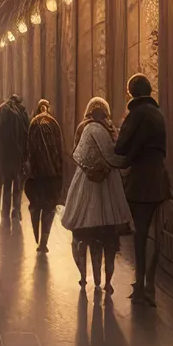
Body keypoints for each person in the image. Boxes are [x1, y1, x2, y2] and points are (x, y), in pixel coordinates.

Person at [61, 97, 132, 294]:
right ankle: (107, 281)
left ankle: (84, 278)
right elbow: (115, 155)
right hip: (108, 183)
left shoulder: (83, 127)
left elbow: (76, 152)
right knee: (108, 237)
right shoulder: (110, 129)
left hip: (85, 181)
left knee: (83, 233)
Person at [115, 73, 172, 306]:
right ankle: (150, 284)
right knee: (154, 234)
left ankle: (140, 285)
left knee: (140, 235)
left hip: (140, 183)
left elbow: (121, 147)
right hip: (159, 181)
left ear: (133, 92)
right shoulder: (158, 114)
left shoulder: (136, 114)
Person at [25, 99, 65, 252]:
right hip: (52, 176)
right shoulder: (54, 124)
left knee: (36, 206)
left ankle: (38, 235)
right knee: (49, 208)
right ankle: (43, 243)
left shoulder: (33, 124)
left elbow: (29, 149)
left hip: (36, 176)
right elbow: (59, 151)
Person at [0, 95, 29, 218]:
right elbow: (26, 135)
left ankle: (5, 211)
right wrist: (25, 156)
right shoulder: (22, 113)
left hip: (5, 156)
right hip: (17, 156)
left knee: (6, 183)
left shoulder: (0, 112)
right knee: (17, 183)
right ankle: (16, 210)